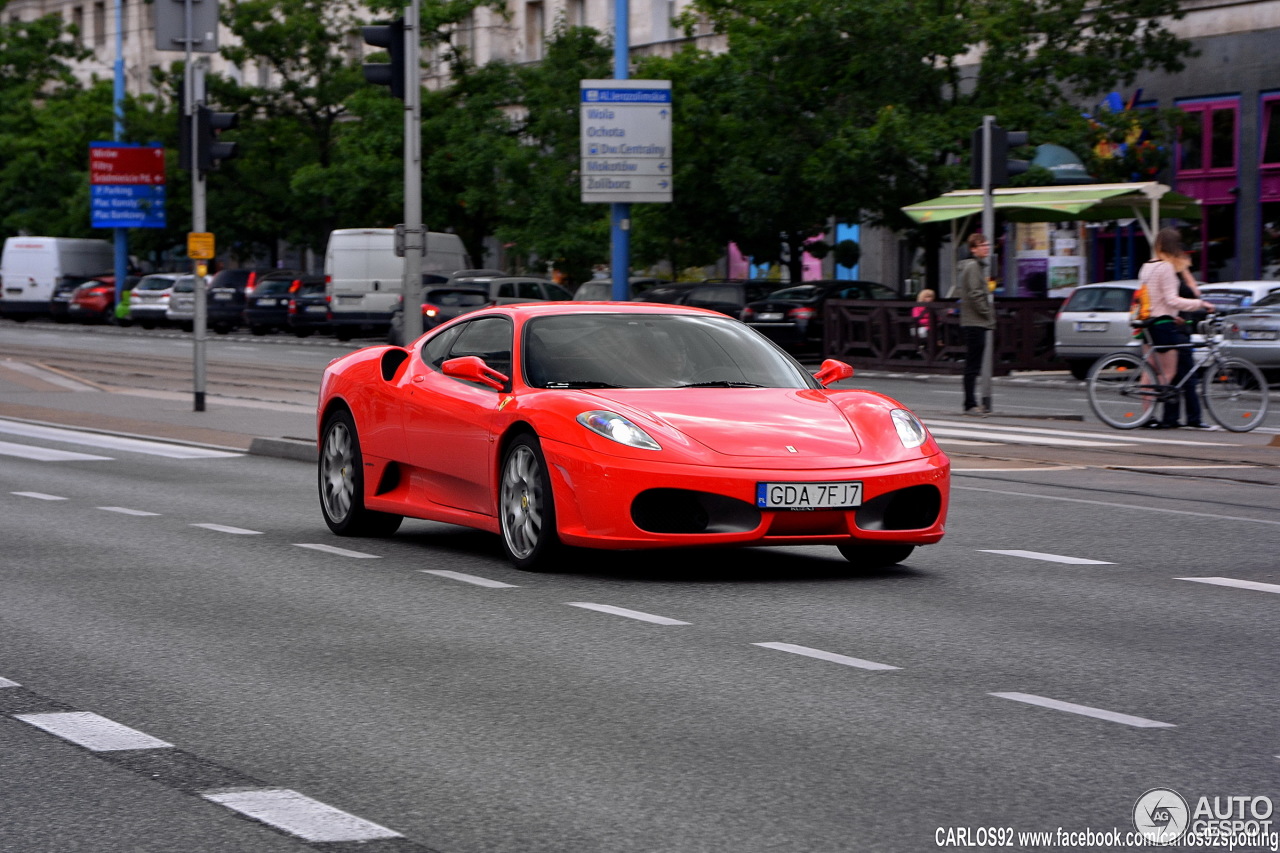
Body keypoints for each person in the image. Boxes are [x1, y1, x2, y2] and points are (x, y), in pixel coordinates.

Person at [1137, 228, 1217, 429]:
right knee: (1169, 373)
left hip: (1148, 322)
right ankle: (1168, 416)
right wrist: (1200, 304)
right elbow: (1171, 300)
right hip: (1163, 323)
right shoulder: (1166, 268)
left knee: (1150, 372)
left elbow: (1153, 297)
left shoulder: (1147, 266)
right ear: (1174, 246)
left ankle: (1146, 416)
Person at [957, 234, 995, 414]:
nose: (986, 247)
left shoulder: (976, 267)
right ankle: (970, 403)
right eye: (982, 245)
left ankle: (971, 402)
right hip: (975, 321)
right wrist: (987, 313)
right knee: (973, 364)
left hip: (975, 320)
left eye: (987, 244)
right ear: (973, 249)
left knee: (974, 363)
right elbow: (975, 294)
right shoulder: (973, 267)